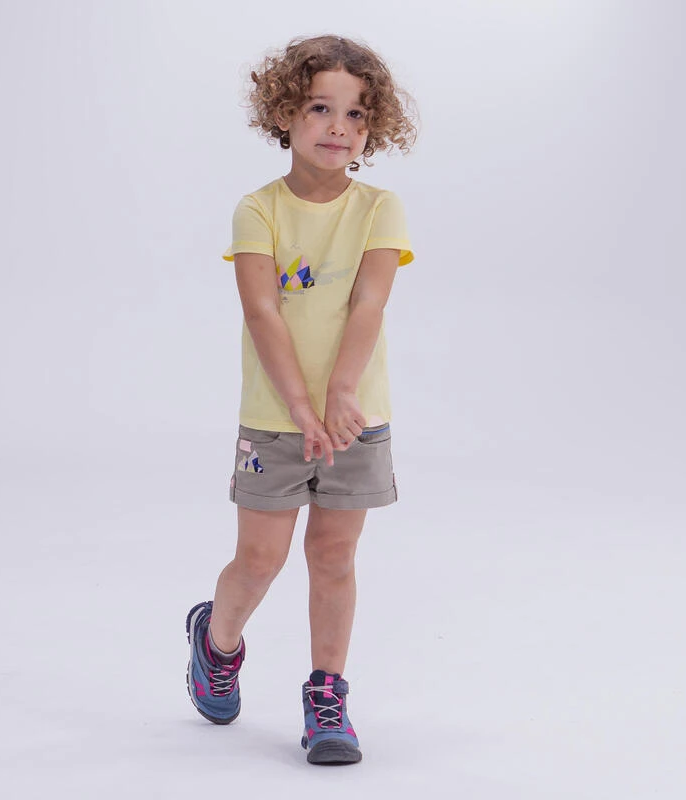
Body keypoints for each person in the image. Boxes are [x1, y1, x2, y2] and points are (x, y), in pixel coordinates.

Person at [185, 34, 416, 766]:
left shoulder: (379, 208)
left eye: (356, 114)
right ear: (285, 113)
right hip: (276, 420)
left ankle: (327, 695)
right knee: (260, 558)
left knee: (334, 555)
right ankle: (216, 642)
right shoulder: (259, 210)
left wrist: (340, 397)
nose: (338, 127)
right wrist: (300, 408)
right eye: (320, 108)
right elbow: (263, 312)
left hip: (353, 421)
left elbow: (368, 304)